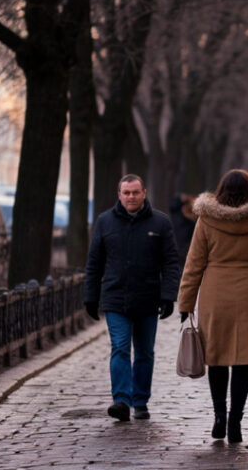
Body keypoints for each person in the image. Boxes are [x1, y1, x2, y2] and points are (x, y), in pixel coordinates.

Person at [177, 169, 248, 444]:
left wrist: (186, 302)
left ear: (221, 190)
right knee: (242, 358)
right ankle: (236, 419)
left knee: (216, 356)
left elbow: (194, 263)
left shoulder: (207, 219)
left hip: (215, 294)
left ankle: (219, 416)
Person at [83, 174, 181, 422]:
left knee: (145, 352)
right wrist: (90, 298)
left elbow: (171, 262)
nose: (131, 197)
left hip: (148, 299)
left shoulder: (160, 223)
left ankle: (140, 400)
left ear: (144, 193)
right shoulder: (105, 222)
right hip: (115, 298)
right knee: (120, 348)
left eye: (135, 192)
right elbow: (94, 263)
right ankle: (122, 400)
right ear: (119, 194)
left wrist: (169, 296)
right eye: (126, 192)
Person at [168, 193, 196, 269]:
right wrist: (180, 199)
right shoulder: (178, 214)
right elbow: (172, 207)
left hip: (186, 252)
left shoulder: (195, 221)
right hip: (178, 250)